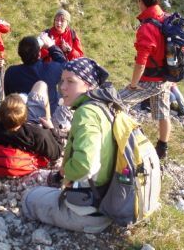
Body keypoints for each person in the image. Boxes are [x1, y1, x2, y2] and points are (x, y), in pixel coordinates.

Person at [22, 58, 120, 233]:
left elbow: (85, 165)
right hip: (107, 201)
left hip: (88, 212)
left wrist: (64, 172)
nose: (63, 87)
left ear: (89, 85)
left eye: (71, 81)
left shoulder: (86, 113)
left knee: (27, 198)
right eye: (62, 81)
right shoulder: (103, 107)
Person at [119, 0, 172, 159]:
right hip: (166, 77)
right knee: (163, 112)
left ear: (141, 1)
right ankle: (163, 148)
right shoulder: (165, 17)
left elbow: (141, 62)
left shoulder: (147, 26)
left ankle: (124, 141)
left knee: (116, 103)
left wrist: (134, 84)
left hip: (151, 79)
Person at [0, 86, 63, 161]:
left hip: (9, 128)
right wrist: (51, 128)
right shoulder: (38, 134)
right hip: (33, 124)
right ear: (25, 118)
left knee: (24, 96)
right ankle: (48, 117)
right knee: (41, 85)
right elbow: (57, 152)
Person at [4, 35, 67, 115]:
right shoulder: (51, 69)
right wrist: (52, 46)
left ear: (20, 54)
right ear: (39, 54)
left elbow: (9, 97)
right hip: (47, 118)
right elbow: (65, 65)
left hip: (20, 116)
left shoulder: (11, 72)